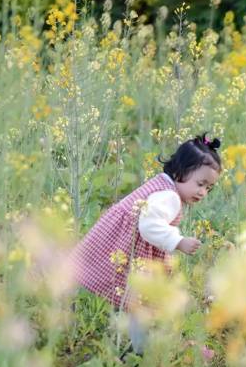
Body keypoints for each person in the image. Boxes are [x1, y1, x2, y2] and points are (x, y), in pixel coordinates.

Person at [73, 134, 222, 354]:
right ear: (180, 172)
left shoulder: (162, 184)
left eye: (208, 188)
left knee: (128, 298)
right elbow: (149, 225)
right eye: (200, 184)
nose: (203, 192)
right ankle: (140, 350)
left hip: (120, 242)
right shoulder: (169, 198)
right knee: (139, 303)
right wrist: (179, 241)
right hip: (131, 250)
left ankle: (86, 322)